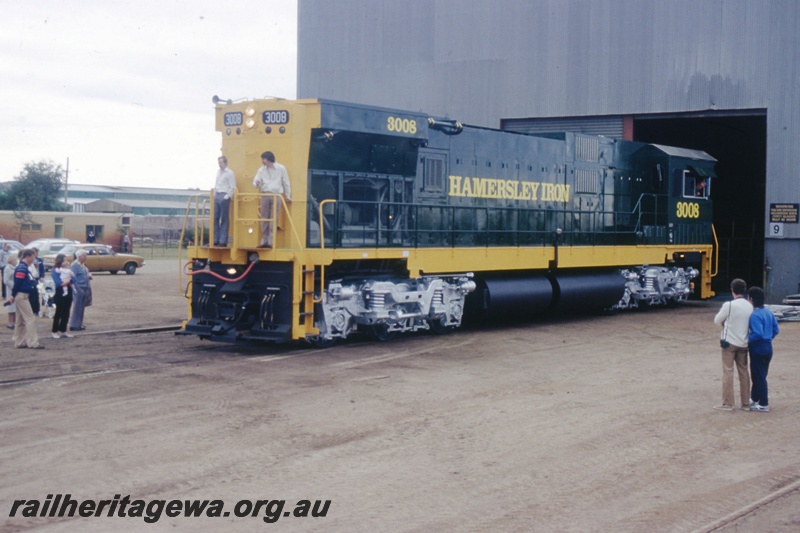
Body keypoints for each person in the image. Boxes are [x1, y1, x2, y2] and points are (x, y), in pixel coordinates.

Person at [713, 278, 753, 411]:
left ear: (732, 290)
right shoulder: (749, 305)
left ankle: (728, 403)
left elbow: (717, 320)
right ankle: (746, 403)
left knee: (728, 371)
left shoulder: (729, 305)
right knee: (743, 372)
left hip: (729, 343)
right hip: (743, 343)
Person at [747, 286, 779, 412]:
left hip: (758, 347)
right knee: (761, 374)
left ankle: (763, 404)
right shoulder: (768, 313)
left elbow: (757, 333)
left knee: (758, 376)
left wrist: (747, 338)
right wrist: (768, 338)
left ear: (751, 299)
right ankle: (754, 397)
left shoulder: (754, 315)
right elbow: (776, 329)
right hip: (768, 347)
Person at [252, 151, 291, 248]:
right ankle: (264, 241)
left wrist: (288, 196)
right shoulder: (261, 170)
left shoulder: (281, 169)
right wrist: (256, 183)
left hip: (276, 195)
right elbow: (255, 182)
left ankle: (271, 241)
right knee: (264, 218)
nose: (262, 161)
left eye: (263, 159)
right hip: (265, 194)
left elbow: (286, 182)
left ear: (268, 159)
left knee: (274, 219)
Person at [9, 249, 44, 349]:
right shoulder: (22, 268)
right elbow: (18, 283)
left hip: (20, 295)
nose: (34, 259)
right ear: (28, 256)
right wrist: (13, 295)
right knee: (30, 319)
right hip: (22, 295)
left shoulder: (22, 267)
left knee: (20, 320)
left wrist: (13, 295)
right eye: (33, 257)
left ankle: (19, 342)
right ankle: (33, 342)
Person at [213, 155, 236, 247]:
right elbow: (217, 183)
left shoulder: (229, 173)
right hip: (217, 194)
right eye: (219, 163)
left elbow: (233, 186)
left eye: (221, 163)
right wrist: (215, 194)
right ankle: (215, 240)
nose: (219, 165)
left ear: (225, 163)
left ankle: (223, 241)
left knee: (224, 218)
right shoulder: (219, 172)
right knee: (215, 218)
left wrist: (227, 196)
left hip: (224, 195)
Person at [51, 254, 75, 339]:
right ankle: (55, 330)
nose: (66, 262)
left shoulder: (68, 270)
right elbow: (58, 282)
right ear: (60, 261)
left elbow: (74, 279)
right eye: (64, 260)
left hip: (68, 290)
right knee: (59, 312)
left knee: (66, 311)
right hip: (60, 292)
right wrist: (68, 281)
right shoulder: (55, 270)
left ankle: (63, 329)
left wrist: (68, 281)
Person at [69, 250, 93, 331]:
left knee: (81, 307)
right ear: (79, 257)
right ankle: (74, 325)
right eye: (84, 255)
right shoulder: (74, 266)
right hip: (79, 289)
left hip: (85, 288)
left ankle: (79, 324)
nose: (86, 257)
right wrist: (77, 289)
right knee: (77, 307)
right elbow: (73, 277)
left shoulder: (83, 265)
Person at [3, 254, 18, 329]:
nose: (16, 261)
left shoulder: (15, 268)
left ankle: (15, 322)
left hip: (15, 290)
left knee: (15, 307)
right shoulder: (7, 268)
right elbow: (6, 280)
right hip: (10, 290)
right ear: (11, 260)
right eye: (14, 260)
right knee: (11, 307)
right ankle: (10, 322)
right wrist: (13, 286)